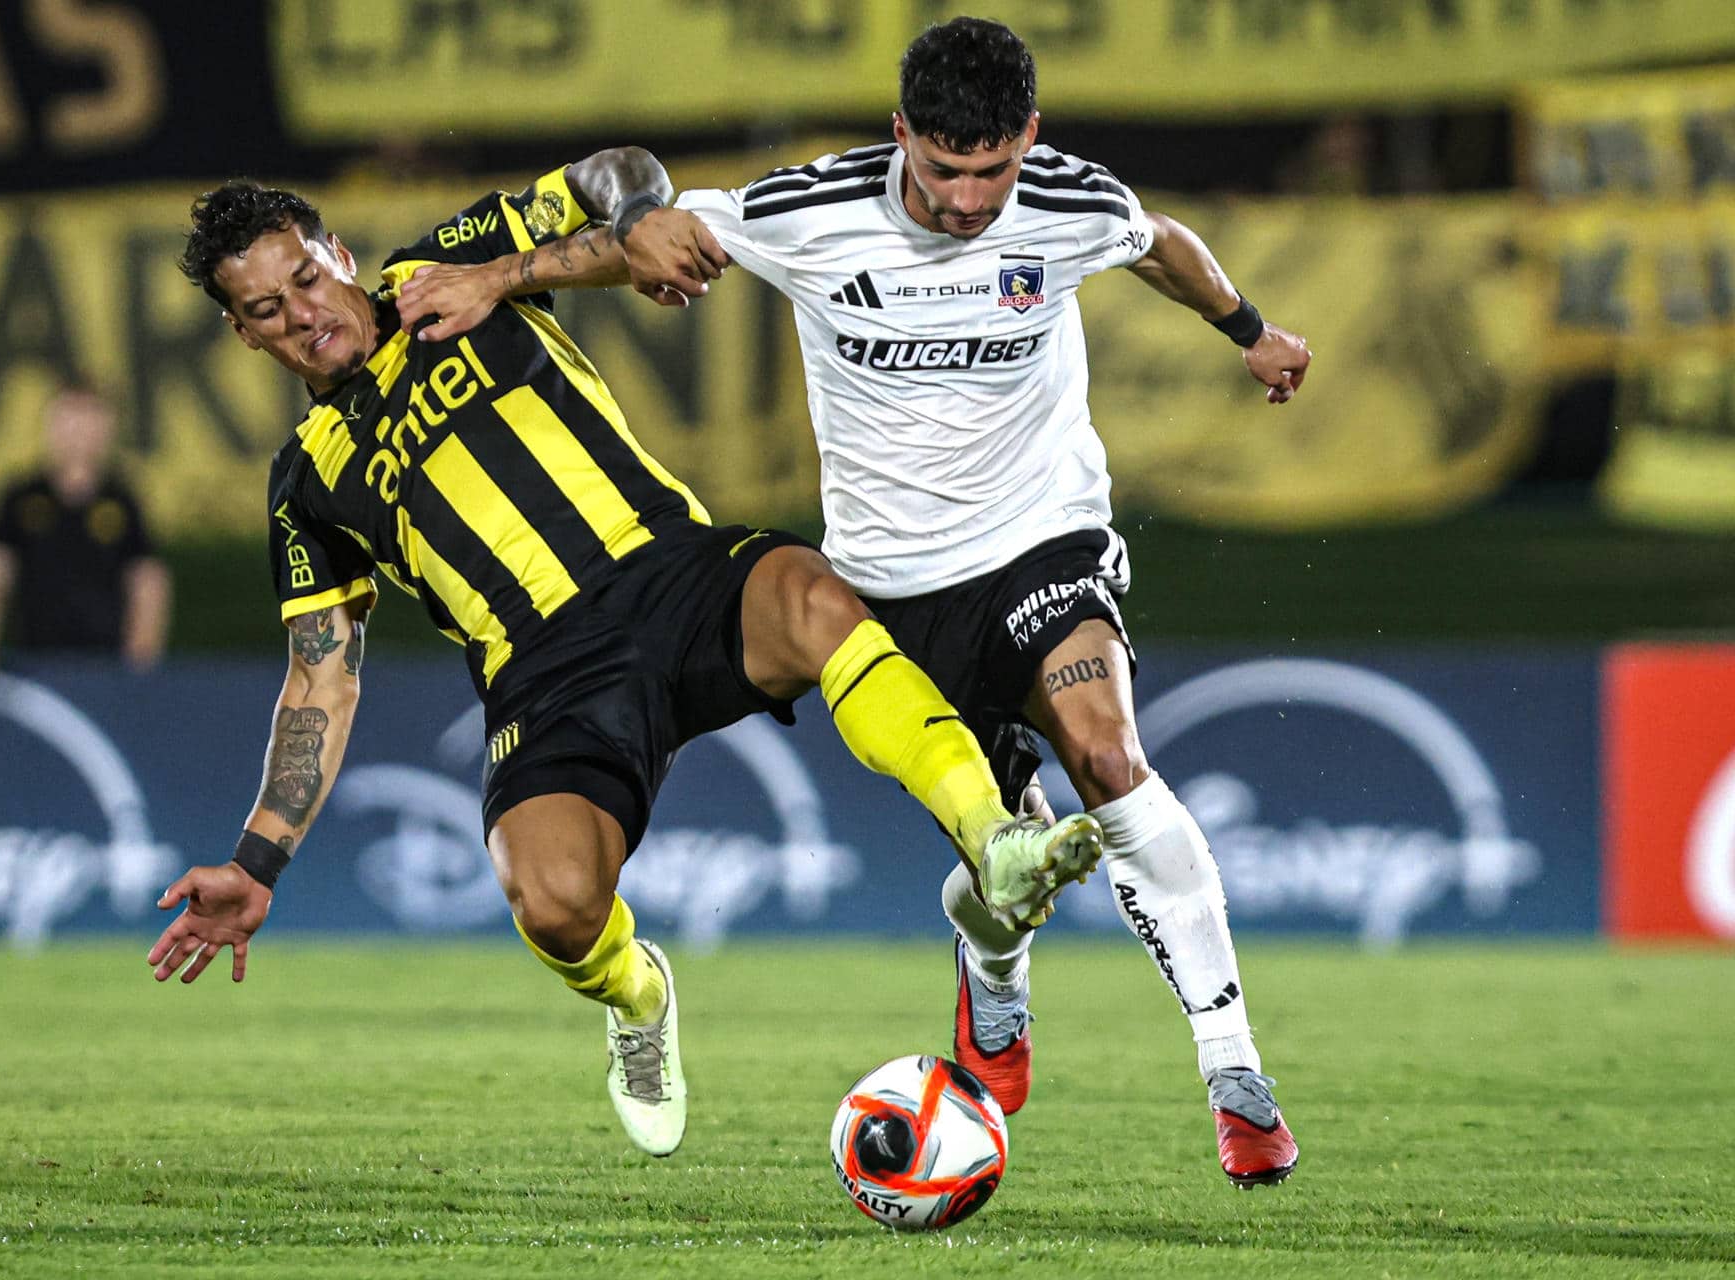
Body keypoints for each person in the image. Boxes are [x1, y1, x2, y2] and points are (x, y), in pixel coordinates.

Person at [147, 148, 1102, 1160]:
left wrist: (638, 216)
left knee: (814, 592)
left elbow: (613, 173)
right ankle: (638, 994)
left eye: (303, 275)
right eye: (262, 308)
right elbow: (320, 675)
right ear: (242, 334)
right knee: (553, 902)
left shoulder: (445, 273)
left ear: (337, 254)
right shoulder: (306, 486)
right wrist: (258, 861)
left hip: (669, 574)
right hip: (546, 675)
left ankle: (995, 836)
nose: (299, 311)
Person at [648, 18, 1311, 1186]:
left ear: (1029, 141)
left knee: (1109, 761)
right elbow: (668, 229)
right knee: (1005, 866)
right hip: (895, 597)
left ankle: (1235, 1073)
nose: (967, 200)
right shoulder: (809, 210)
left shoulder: (1067, 203)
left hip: (1044, 537)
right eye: (945, 169)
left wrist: (1249, 331)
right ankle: (993, 977)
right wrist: (509, 270)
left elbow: (1159, 243)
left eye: (992, 170)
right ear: (900, 133)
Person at [0, 382, 172, 690]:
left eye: (90, 420)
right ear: (50, 426)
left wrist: (139, 666)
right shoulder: (22, 497)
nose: (78, 432)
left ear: (107, 430)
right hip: (31, 668)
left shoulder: (121, 502)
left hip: (106, 670)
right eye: (69, 419)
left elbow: (148, 582)